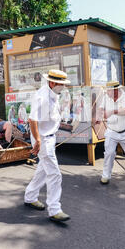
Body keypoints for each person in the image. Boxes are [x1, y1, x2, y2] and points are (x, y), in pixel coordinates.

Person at [24, 69, 71, 223]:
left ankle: (30, 196)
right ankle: (54, 209)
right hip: (43, 139)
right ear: (52, 82)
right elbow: (33, 120)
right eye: (61, 84)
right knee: (55, 174)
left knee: (43, 170)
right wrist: (37, 140)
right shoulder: (42, 97)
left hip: (49, 137)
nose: (63, 87)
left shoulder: (53, 94)